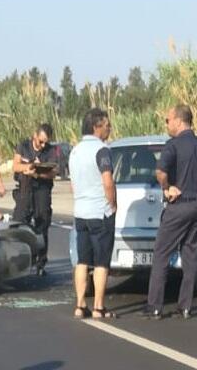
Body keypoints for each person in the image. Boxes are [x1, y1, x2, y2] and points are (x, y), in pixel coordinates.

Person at [144, 105, 197, 320]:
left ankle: (155, 306)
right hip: (196, 205)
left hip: (177, 207)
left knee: (161, 255)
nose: (166, 124)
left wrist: (167, 188)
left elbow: (160, 172)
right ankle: (185, 307)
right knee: (190, 258)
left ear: (178, 120)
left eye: (167, 120)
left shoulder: (172, 146)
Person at [70, 108, 117, 319]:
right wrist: (113, 203)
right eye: (107, 125)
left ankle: (80, 304)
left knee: (82, 260)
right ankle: (98, 306)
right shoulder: (102, 150)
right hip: (100, 212)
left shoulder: (75, 151)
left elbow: (73, 184)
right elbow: (107, 180)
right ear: (97, 126)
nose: (109, 129)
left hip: (81, 212)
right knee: (101, 262)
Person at [12, 124, 57, 270]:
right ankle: (19, 259)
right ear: (35, 136)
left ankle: (41, 262)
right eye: (40, 141)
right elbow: (15, 166)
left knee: (42, 224)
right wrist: (28, 167)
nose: (43, 145)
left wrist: (37, 173)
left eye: (45, 142)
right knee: (19, 223)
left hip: (42, 190)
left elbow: (52, 173)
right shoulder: (23, 146)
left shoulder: (50, 150)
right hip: (25, 188)